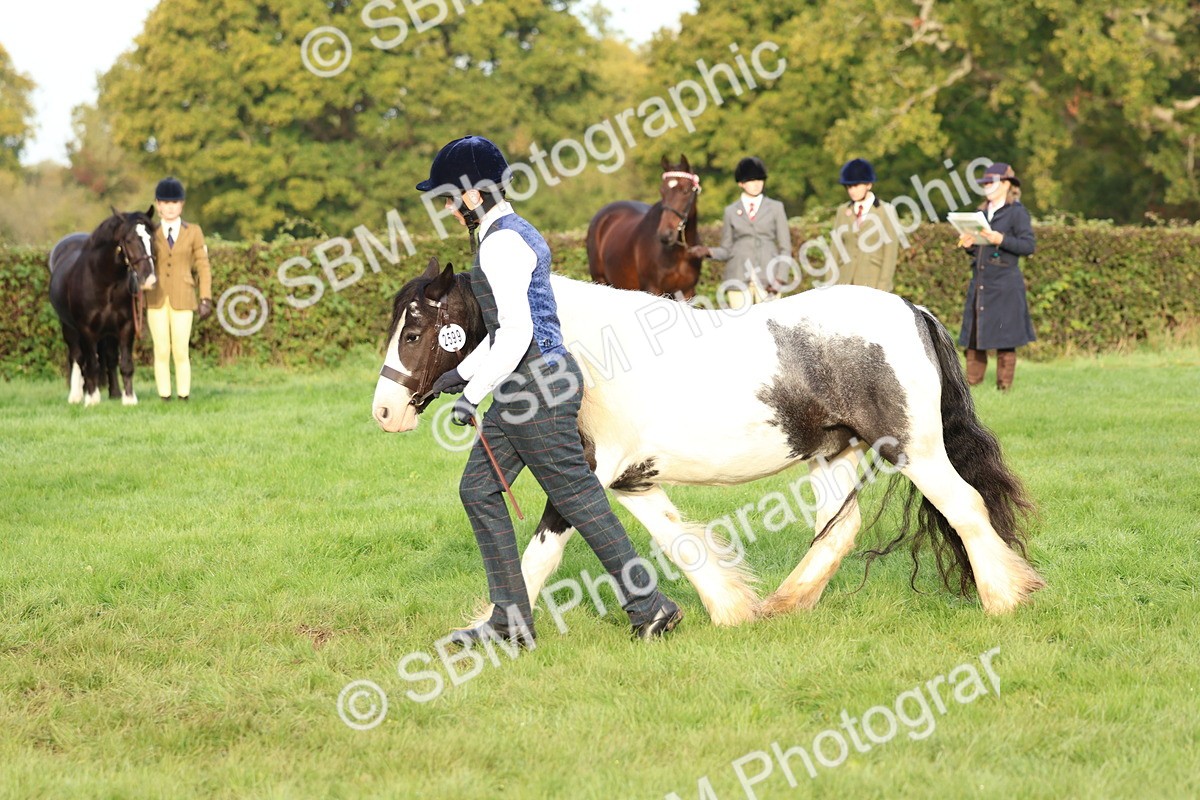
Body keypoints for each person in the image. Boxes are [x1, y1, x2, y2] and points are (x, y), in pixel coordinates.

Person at [418, 136, 683, 646]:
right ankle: (509, 621)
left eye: (450, 198)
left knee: (580, 499)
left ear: (473, 195)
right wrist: (463, 374)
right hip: (526, 383)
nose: (449, 209)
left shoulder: (501, 243)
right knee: (477, 489)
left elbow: (517, 333)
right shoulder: (502, 234)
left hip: (536, 386)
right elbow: (506, 330)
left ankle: (650, 606)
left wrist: (473, 393)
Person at [956, 162, 1036, 391]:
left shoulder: (1017, 212)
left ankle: (1004, 387)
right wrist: (969, 244)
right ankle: (973, 384)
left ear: (1006, 184)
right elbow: (979, 250)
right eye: (985, 183)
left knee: (1005, 338)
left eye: (991, 182)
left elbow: (1029, 245)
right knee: (975, 336)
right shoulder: (981, 212)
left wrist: (1000, 239)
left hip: (1005, 284)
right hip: (980, 282)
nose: (987, 186)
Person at [145, 176, 212, 401]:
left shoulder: (193, 231)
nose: (170, 207)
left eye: (174, 203)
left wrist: (205, 297)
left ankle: (184, 394)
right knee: (161, 349)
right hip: (156, 297)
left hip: (184, 296)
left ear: (181, 205)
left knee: (181, 349)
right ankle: (164, 394)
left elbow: (203, 265)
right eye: (165, 203)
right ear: (158, 205)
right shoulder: (151, 232)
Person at [703, 157, 791, 308]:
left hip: (769, 279)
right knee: (740, 328)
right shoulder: (730, 211)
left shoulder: (776, 207)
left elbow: (785, 247)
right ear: (741, 183)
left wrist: (780, 278)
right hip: (737, 277)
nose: (757, 184)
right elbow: (726, 249)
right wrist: (708, 251)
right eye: (751, 180)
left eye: (760, 179)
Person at [831, 158, 900, 292]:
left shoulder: (886, 211)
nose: (851, 190)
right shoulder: (842, 211)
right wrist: (828, 287)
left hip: (872, 282)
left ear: (869, 184)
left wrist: (882, 289)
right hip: (843, 283)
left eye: (856, 185)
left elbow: (890, 254)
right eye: (849, 186)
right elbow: (835, 250)